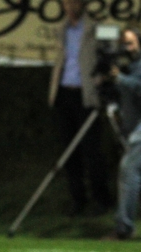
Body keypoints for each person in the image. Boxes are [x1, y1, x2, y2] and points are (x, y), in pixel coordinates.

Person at [49, 0, 114, 216]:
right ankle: (78, 199)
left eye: (73, 2)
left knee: (92, 150)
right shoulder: (63, 29)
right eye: (66, 3)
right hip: (65, 92)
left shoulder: (96, 28)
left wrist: (103, 76)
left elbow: (112, 52)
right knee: (69, 151)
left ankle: (102, 199)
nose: (69, 6)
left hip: (86, 96)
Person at [104, 28, 141, 240]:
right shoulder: (131, 67)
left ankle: (124, 227)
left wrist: (120, 79)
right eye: (124, 43)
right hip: (134, 128)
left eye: (131, 43)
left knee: (129, 172)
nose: (127, 48)